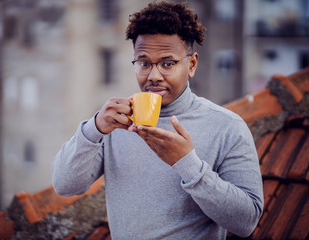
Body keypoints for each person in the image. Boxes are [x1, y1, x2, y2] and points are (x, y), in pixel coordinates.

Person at [52, 1, 264, 239]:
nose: (153, 76)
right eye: (144, 63)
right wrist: (94, 128)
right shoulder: (116, 123)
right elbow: (64, 185)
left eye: (167, 63)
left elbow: (247, 221)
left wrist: (188, 164)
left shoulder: (228, 127)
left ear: (191, 64)